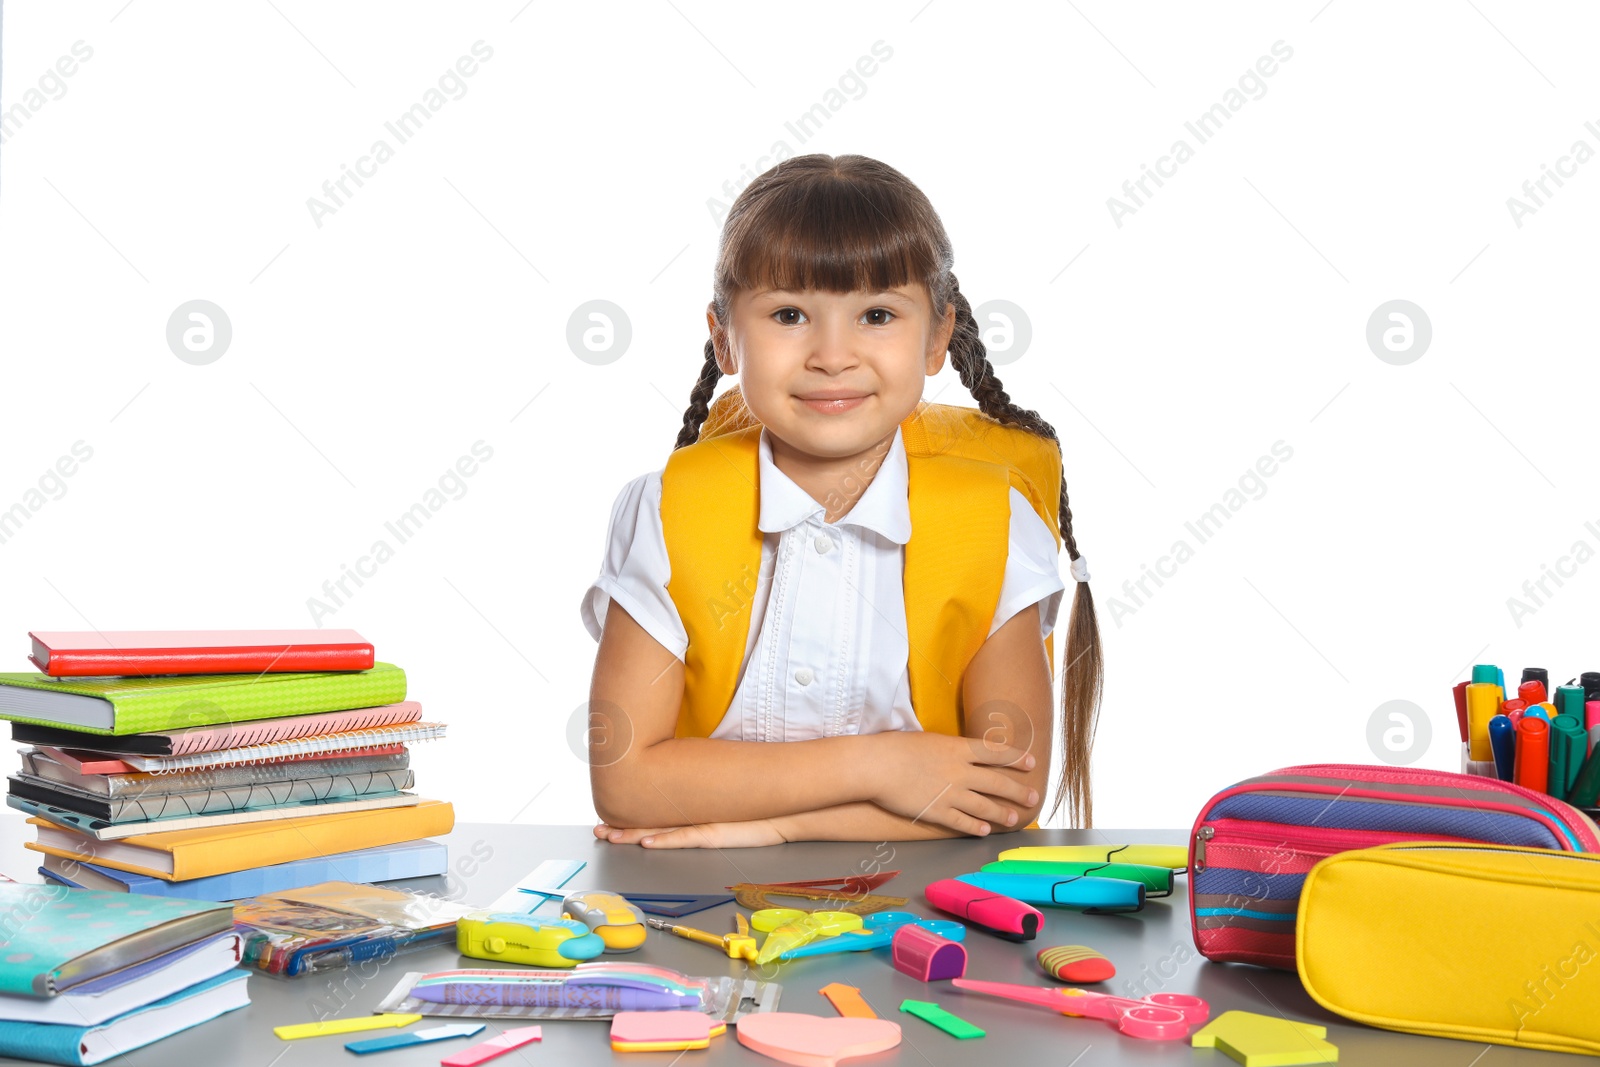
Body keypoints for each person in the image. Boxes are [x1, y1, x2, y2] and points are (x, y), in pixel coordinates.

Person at [579, 153, 1102, 848]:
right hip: (694, 900)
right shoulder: (668, 512)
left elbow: (1006, 795)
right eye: (789, 314)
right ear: (723, 338)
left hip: (932, 916)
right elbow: (626, 781)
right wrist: (884, 765)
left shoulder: (993, 523)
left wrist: (774, 824)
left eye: (877, 314)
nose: (833, 354)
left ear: (938, 337)